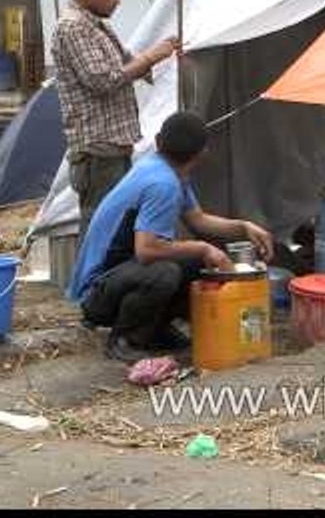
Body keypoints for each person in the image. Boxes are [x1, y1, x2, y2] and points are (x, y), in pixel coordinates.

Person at [67, 112, 274, 363]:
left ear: (157, 141)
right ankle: (126, 340)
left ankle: (155, 330)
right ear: (201, 154)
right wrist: (202, 248)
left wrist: (243, 227)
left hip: (120, 277)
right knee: (165, 272)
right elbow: (146, 250)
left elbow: (198, 219)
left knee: (200, 262)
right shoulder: (162, 183)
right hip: (98, 293)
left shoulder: (164, 169)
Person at [52, 0, 181, 240]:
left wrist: (162, 55)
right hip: (98, 151)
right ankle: (87, 283)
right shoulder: (73, 27)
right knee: (100, 227)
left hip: (113, 146)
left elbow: (126, 61)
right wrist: (150, 56)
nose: (118, 0)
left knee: (112, 225)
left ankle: (101, 281)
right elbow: (102, 80)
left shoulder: (97, 25)